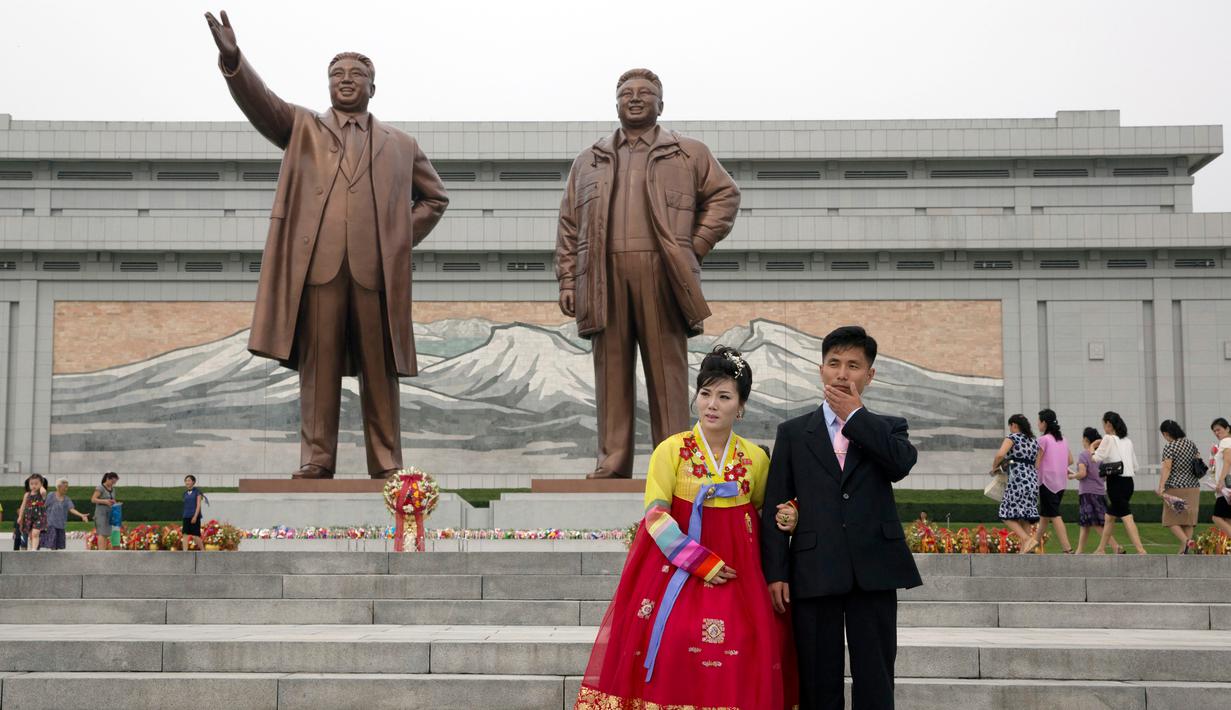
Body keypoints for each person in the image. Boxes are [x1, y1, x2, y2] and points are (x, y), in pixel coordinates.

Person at [205, 11, 449, 479]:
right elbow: (262, 103)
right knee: (318, 371)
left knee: (381, 371)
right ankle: (317, 459)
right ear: (328, 84)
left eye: (357, 75)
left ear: (373, 88)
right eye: (337, 74)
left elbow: (435, 198)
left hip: (374, 274)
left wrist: (396, 240)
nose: (346, 80)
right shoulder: (302, 129)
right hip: (318, 270)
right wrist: (234, 60)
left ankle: (386, 463)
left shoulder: (400, 143)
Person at [576, 346, 797, 709]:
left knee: (746, 643)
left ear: (740, 407)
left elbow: (763, 514)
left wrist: (789, 516)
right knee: (675, 642)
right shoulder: (671, 451)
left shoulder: (755, 459)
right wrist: (701, 562)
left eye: (724, 396)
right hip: (678, 571)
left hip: (742, 575)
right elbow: (656, 516)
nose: (712, 404)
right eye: (705, 393)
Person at [555, 68, 740, 479]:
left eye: (644, 93)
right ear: (615, 102)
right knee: (611, 372)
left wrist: (696, 245)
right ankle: (613, 461)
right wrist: (568, 279)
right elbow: (570, 224)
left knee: (667, 373)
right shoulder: (590, 160)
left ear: (661, 103)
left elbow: (726, 194)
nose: (634, 98)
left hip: (663, 275)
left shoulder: (688, 152)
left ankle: (673, 463)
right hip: (603, 277)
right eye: (625, 93)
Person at [762, 325, 922, 710]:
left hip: (874, 568)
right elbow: (775, 505)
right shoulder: (794, 433)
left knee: (876, 675)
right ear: (821, 370)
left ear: (870, 375)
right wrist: (777, 572)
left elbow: (900, 464)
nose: (841, 373)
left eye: (853, 365)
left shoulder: (888, 428)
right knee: (817, 678)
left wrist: (854, 417)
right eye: (833, 363)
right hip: (814, 568)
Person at [1093, 411, 1147, 554]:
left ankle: (1141, 550)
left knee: (1126, 516)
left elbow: (1096, 458)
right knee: (1109, 516)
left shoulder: (1108, 438)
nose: (1104, 427)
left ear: (1108, 424)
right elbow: (1135, 466)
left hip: (1115, 482)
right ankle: (1101, 548)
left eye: (1104, 424)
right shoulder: (1128, 441)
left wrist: (1092, 447)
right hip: (1129, 482)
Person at [992, 414, 1042, 554]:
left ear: (1014, 425)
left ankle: (1027, 539)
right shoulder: (1034, 441)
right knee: (1024, 516)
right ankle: (1025, 549)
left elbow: (1000, 455)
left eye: (1010, 426)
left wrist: (994, 467)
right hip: (1031, 480)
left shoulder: (1012, 438)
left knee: (1005, 513)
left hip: (1017, 481)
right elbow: (1037, 464)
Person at [1072, 427, 1122, 554]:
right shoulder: (1101, 456)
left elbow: (1082, 474)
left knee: (1096, 523)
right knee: (1086, 524)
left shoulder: (1084, 455)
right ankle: (1079, 550)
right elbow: (1104, 476)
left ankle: (1115, 547)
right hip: (1100, 492)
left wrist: (1072, 476)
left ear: (1086, 440)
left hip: (1087, 493)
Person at [1031, 408, 1074, 553]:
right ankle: (1032, 545)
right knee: (1045, 515)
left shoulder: (1043, 440)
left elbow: (1037, 463)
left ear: (1044, 422)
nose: (1037, 424)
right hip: (1061, 483)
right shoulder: (1063, 440)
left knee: (1054, 515)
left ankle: (1067, 549)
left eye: (1039, 421)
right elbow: (1070, 460)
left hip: (1047, 482)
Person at [1157, 420, 1202, 553]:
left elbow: (1167, 467)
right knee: (1188, 521)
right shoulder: (1191, 444)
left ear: (1166, 433)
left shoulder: (1170, 446)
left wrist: (1161, 486)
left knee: (1170, 519)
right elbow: (1198, 461)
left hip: (1175, 487)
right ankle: (1184, 551)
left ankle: (1187, 542)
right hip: (1193, 486)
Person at [40, 479, 89, 551]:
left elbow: (71, 509)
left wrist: (81, 515)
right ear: (59, 487)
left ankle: (54, 556)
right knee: (52, 543)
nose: (66, 489)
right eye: (65, 487)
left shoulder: (67, 499)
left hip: (60, 525)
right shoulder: (51, 495)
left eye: (67, 487)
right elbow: (44, 505)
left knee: (57, 545)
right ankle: (52, 555)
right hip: (50, 524)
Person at [17, 474, 49, 552]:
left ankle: (34, 549)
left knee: (35, 533)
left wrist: (41, 485)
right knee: (31, 535)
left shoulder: (41, 494)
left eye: (36, 484)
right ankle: (32, 547)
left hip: (39, 516)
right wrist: (20, 517)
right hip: (28, 517)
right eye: (31, 484)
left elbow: (44, 491)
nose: (33, 486)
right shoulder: (27, 494)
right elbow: (23, 506)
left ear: (41, 484)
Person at [1211, 417, 1231, 537]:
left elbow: (1228, 461)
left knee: (1217, 517)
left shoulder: (1226, 441)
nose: (1216, 433)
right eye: (1214, 431)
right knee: (1228, 519)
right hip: (1228, 486)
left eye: (1218, 430)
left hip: (1226, 487)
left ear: (1227, 428)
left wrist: (1221, 481)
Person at [91, 472, 120, 550]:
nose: (113, 484)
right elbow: (93, 499)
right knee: (101, 533)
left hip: (109, 513)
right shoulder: (100, 488)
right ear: (107, 479)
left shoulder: (113, 489)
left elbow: (111, 499)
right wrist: (105, 501)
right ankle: (101, 551)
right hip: (101, 514)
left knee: (106, 533)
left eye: (114, 482)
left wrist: (114, 502)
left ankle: (104, 551)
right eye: (112, 481)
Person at [182, 475, 207, 551]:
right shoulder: (185, 493)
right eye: (186, 481)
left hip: (194, 516)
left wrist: (195, 516)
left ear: (193, 482)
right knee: (185, 535)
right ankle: (184, 552)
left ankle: (203, 550)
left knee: (195, 536)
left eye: (189, 480)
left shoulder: (197, 492)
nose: (187, 482)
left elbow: (198, 505)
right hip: (186, 516)